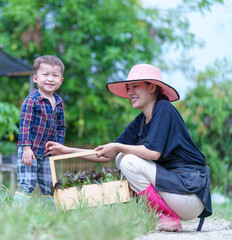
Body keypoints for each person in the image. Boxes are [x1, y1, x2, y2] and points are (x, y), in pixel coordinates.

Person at [45, 64, 211, 232]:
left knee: (128, 160)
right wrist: (67, 150)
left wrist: (118, 146)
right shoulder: (139, 123)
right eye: (128, 88)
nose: (130, 92)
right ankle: (155, 213)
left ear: (152, 87)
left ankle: (165, 216)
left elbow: (153, 153)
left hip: (190, 193)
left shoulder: (164, 108)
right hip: (173, 191)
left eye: (135, 86)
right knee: (120, 158)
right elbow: (105, 155)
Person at [14, 55, 66, 205]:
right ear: (36, 78)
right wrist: (26, 148)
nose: (50, 79)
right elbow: (24, 125)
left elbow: (61, 127)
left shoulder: (59, 103)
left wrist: (59, 146)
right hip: (30, 151)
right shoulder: (32, 100)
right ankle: (16, 213)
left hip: (47, 153)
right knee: (27, 184)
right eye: (46, 74)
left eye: (55, 75)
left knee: (49, 186)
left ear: (61, 80)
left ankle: (48, 213)